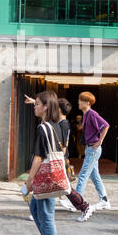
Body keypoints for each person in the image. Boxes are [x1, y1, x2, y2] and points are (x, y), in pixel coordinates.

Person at [25, 94, 94, 222]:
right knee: (48, 186)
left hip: (58, 160)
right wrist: (35, 102)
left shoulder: (61, 124)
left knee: (64, 188)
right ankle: (37, 212)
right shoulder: (59, 122)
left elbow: (62, 145)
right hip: (57, 159)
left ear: (59, 110)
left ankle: (85, 207)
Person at [25, 91, 64, 235]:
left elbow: (39, 157)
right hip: (52, 176)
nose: (35, 107)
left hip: (45, 178)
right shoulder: (57, 125)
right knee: (34, 208)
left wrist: (29, 179)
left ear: (46, 107)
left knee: (46, 215)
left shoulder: (43, 129)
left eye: (37, 104)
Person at [76, 91, 111, 211]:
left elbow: (106, 125)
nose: (78, 102)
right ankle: (104, 200)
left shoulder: (92, 113)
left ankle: (76, 201)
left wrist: (100, 141)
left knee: (82, 175)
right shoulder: (85, 115)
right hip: (90, 148)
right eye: (79, 100)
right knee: (95, 176)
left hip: (93, 149)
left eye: (81, 100)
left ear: (87, 102)